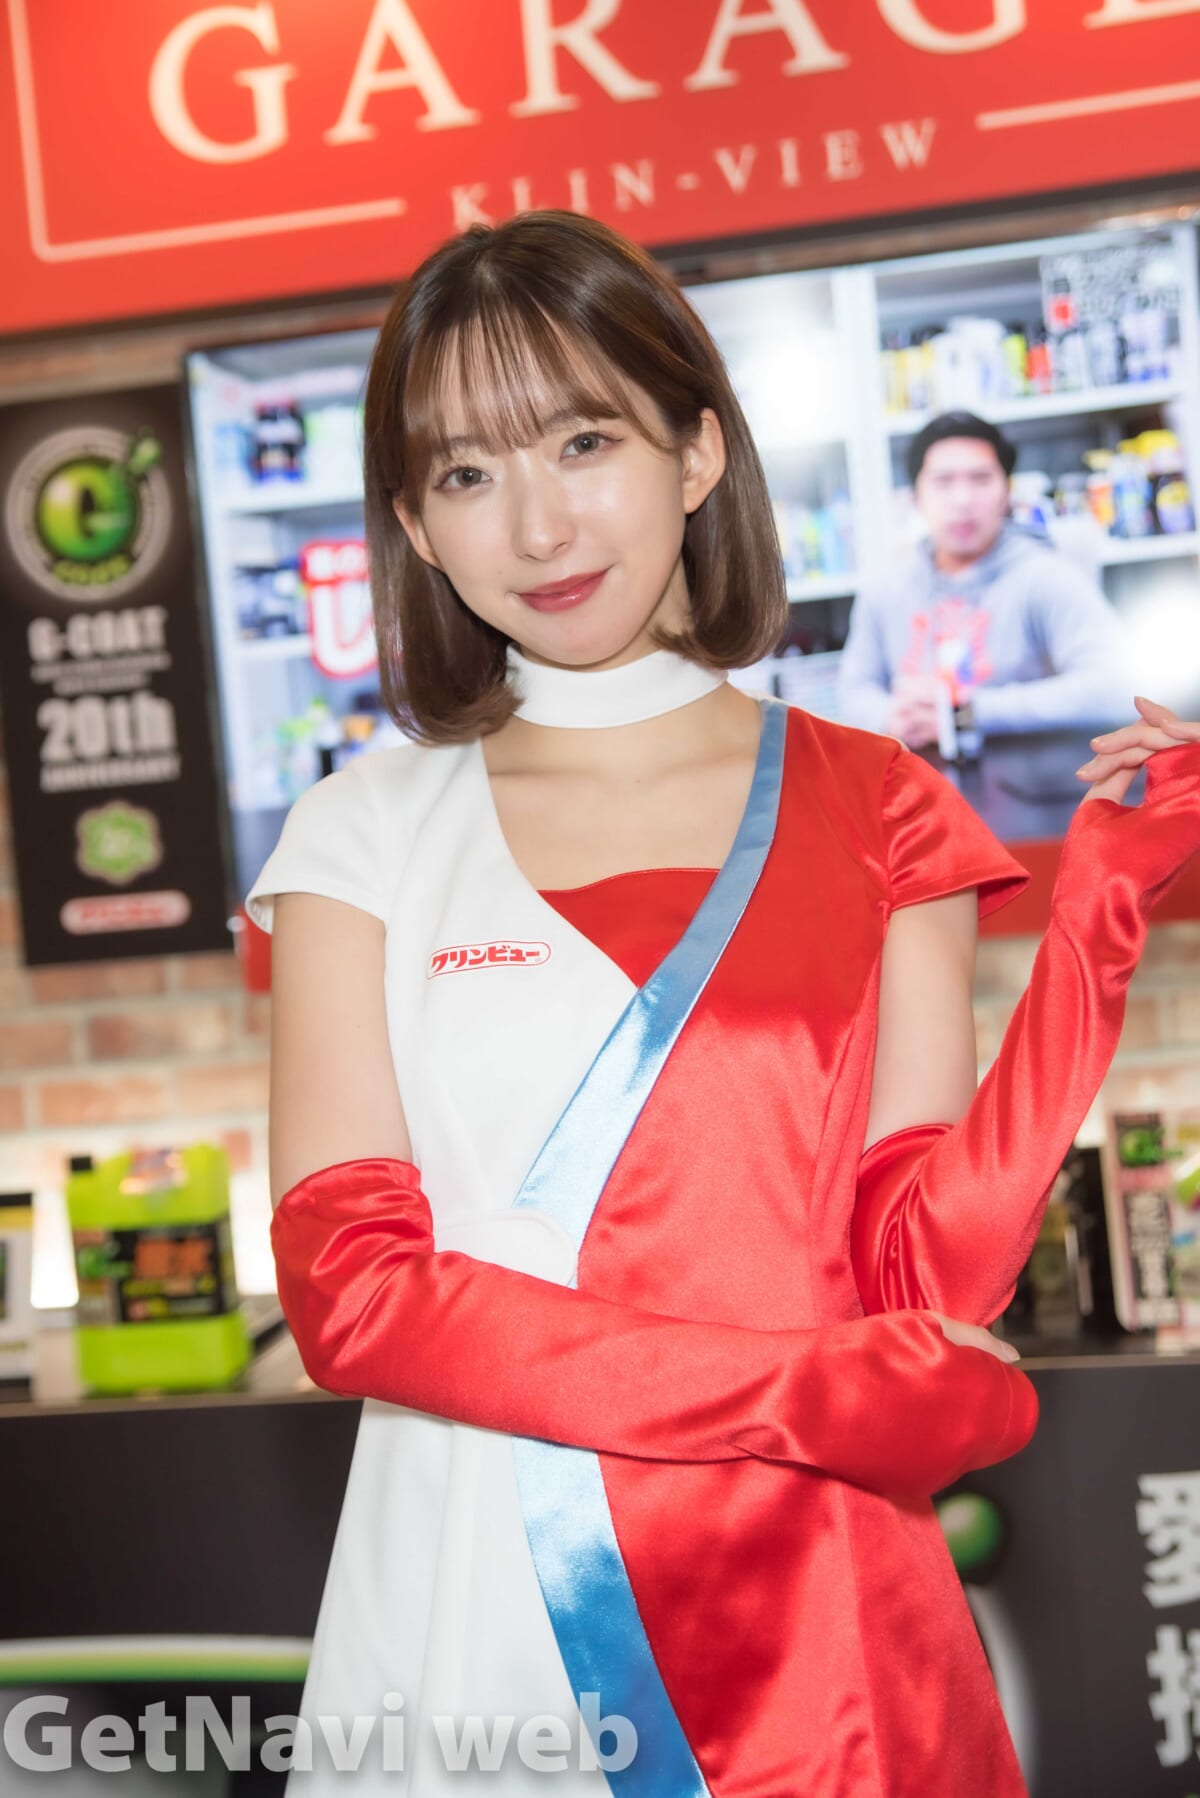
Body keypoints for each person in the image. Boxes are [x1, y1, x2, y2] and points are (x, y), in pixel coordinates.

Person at [245, 211, 1200, 1795]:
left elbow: (920, 1263)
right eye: (467, 473)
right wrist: (805, 1389)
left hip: (824, 1604)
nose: (538, 523)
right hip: (492, 1589)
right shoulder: (365, 831)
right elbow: (351, 1289)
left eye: (584, 440)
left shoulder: (879, 803)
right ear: (414, 523)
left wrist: (1100, 914)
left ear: (696, 451)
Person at [837, 410, 1131, 748]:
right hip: (913, 773)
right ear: (915, 498)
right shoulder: (883, 590)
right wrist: (891, 717)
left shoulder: (1046, 576)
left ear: (1007, 493)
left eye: (980, 479)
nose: (963, 500)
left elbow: (1118, 688)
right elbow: (852, 692)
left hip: (1029, 772)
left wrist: (966, 714)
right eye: (943, 481)